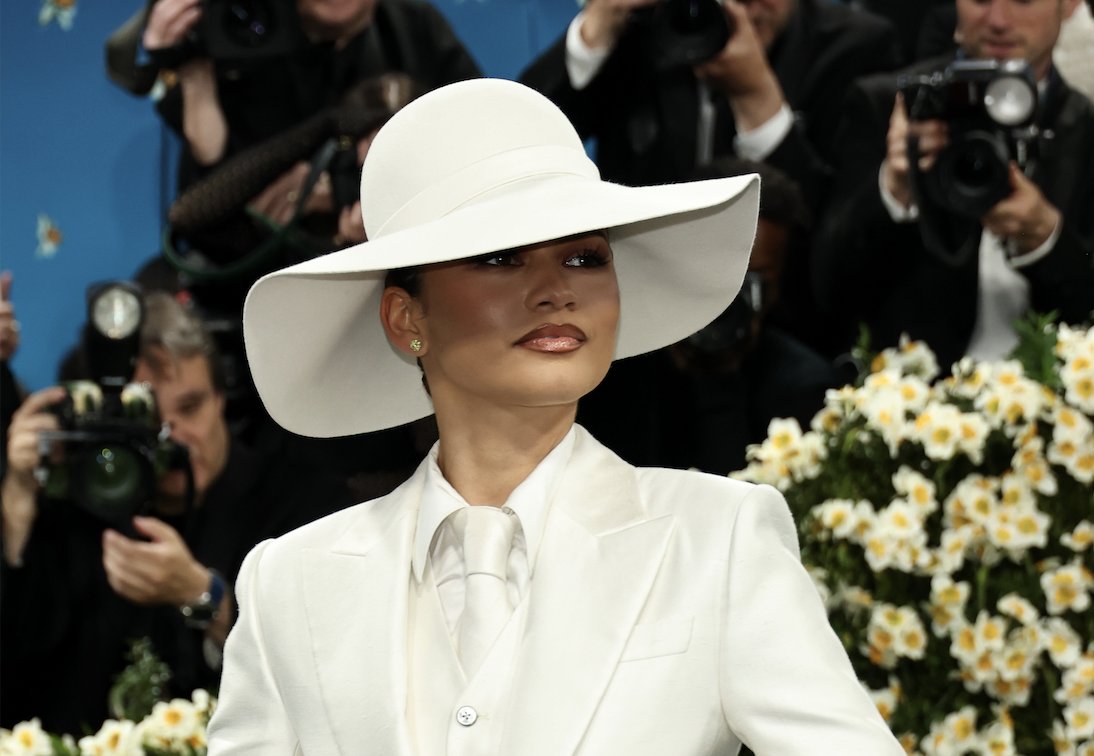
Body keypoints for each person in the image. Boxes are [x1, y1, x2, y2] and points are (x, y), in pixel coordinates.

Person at [207, 78, 902, 754]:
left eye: (583, 256)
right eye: (501, 257)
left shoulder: (716, 541)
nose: (555, 290)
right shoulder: (289, 583)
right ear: (405, 317)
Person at [0, 292, 350, 734]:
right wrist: (17, 497)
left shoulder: (300, 503)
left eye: (190, 407)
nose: (173, 438)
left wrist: (205, 599)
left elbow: (331, 671)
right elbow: (20, 662)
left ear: (222, 397)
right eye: (148, 423)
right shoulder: (83, 512)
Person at [813, 0, 1094, 370]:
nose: (998, 20)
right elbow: (826, 295)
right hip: (907, 398)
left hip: (1053, 394)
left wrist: (1045, 238)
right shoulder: (885, 106)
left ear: (1068, 5)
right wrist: (894, 189)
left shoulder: (1087, 132)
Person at [577, 157, 842, 474]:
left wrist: (720, 379)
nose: (728, 300)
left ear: (780, 281)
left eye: (751, 282)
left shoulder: (803, 387)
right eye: (716, 275)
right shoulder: (610, 367)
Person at [519, 0, 902, 210]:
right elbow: (525, 148)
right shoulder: (644, 30)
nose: (741, 11)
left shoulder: (853, 48)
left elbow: (836, 233)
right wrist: (597, 27)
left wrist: (757, 100)